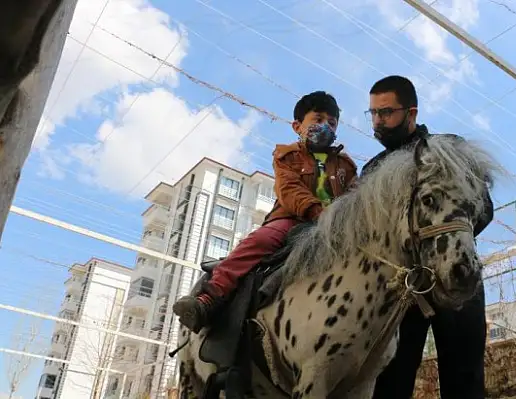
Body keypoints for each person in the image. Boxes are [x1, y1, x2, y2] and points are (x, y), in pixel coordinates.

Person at [173, 91, 358, 334]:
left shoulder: (345, 165)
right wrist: (317, 211)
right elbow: (288, 189)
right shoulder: (287, 156)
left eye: (332, 123)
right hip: (292, 219)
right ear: (297, 126)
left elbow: (355, 195)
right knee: (259, 241)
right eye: (318, 119)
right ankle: (210, 297)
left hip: (336, 226)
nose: (325, 126)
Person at [363, 75, 494, 399]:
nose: (378, 122)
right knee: (390, 380)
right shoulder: (372, 171)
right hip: (399, 289)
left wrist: (442, 241)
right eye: (373, 114)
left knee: (465, 379)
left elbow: (483, 207)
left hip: (456, 273)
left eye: (386, 112)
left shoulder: (449, 149)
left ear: (412, 112)